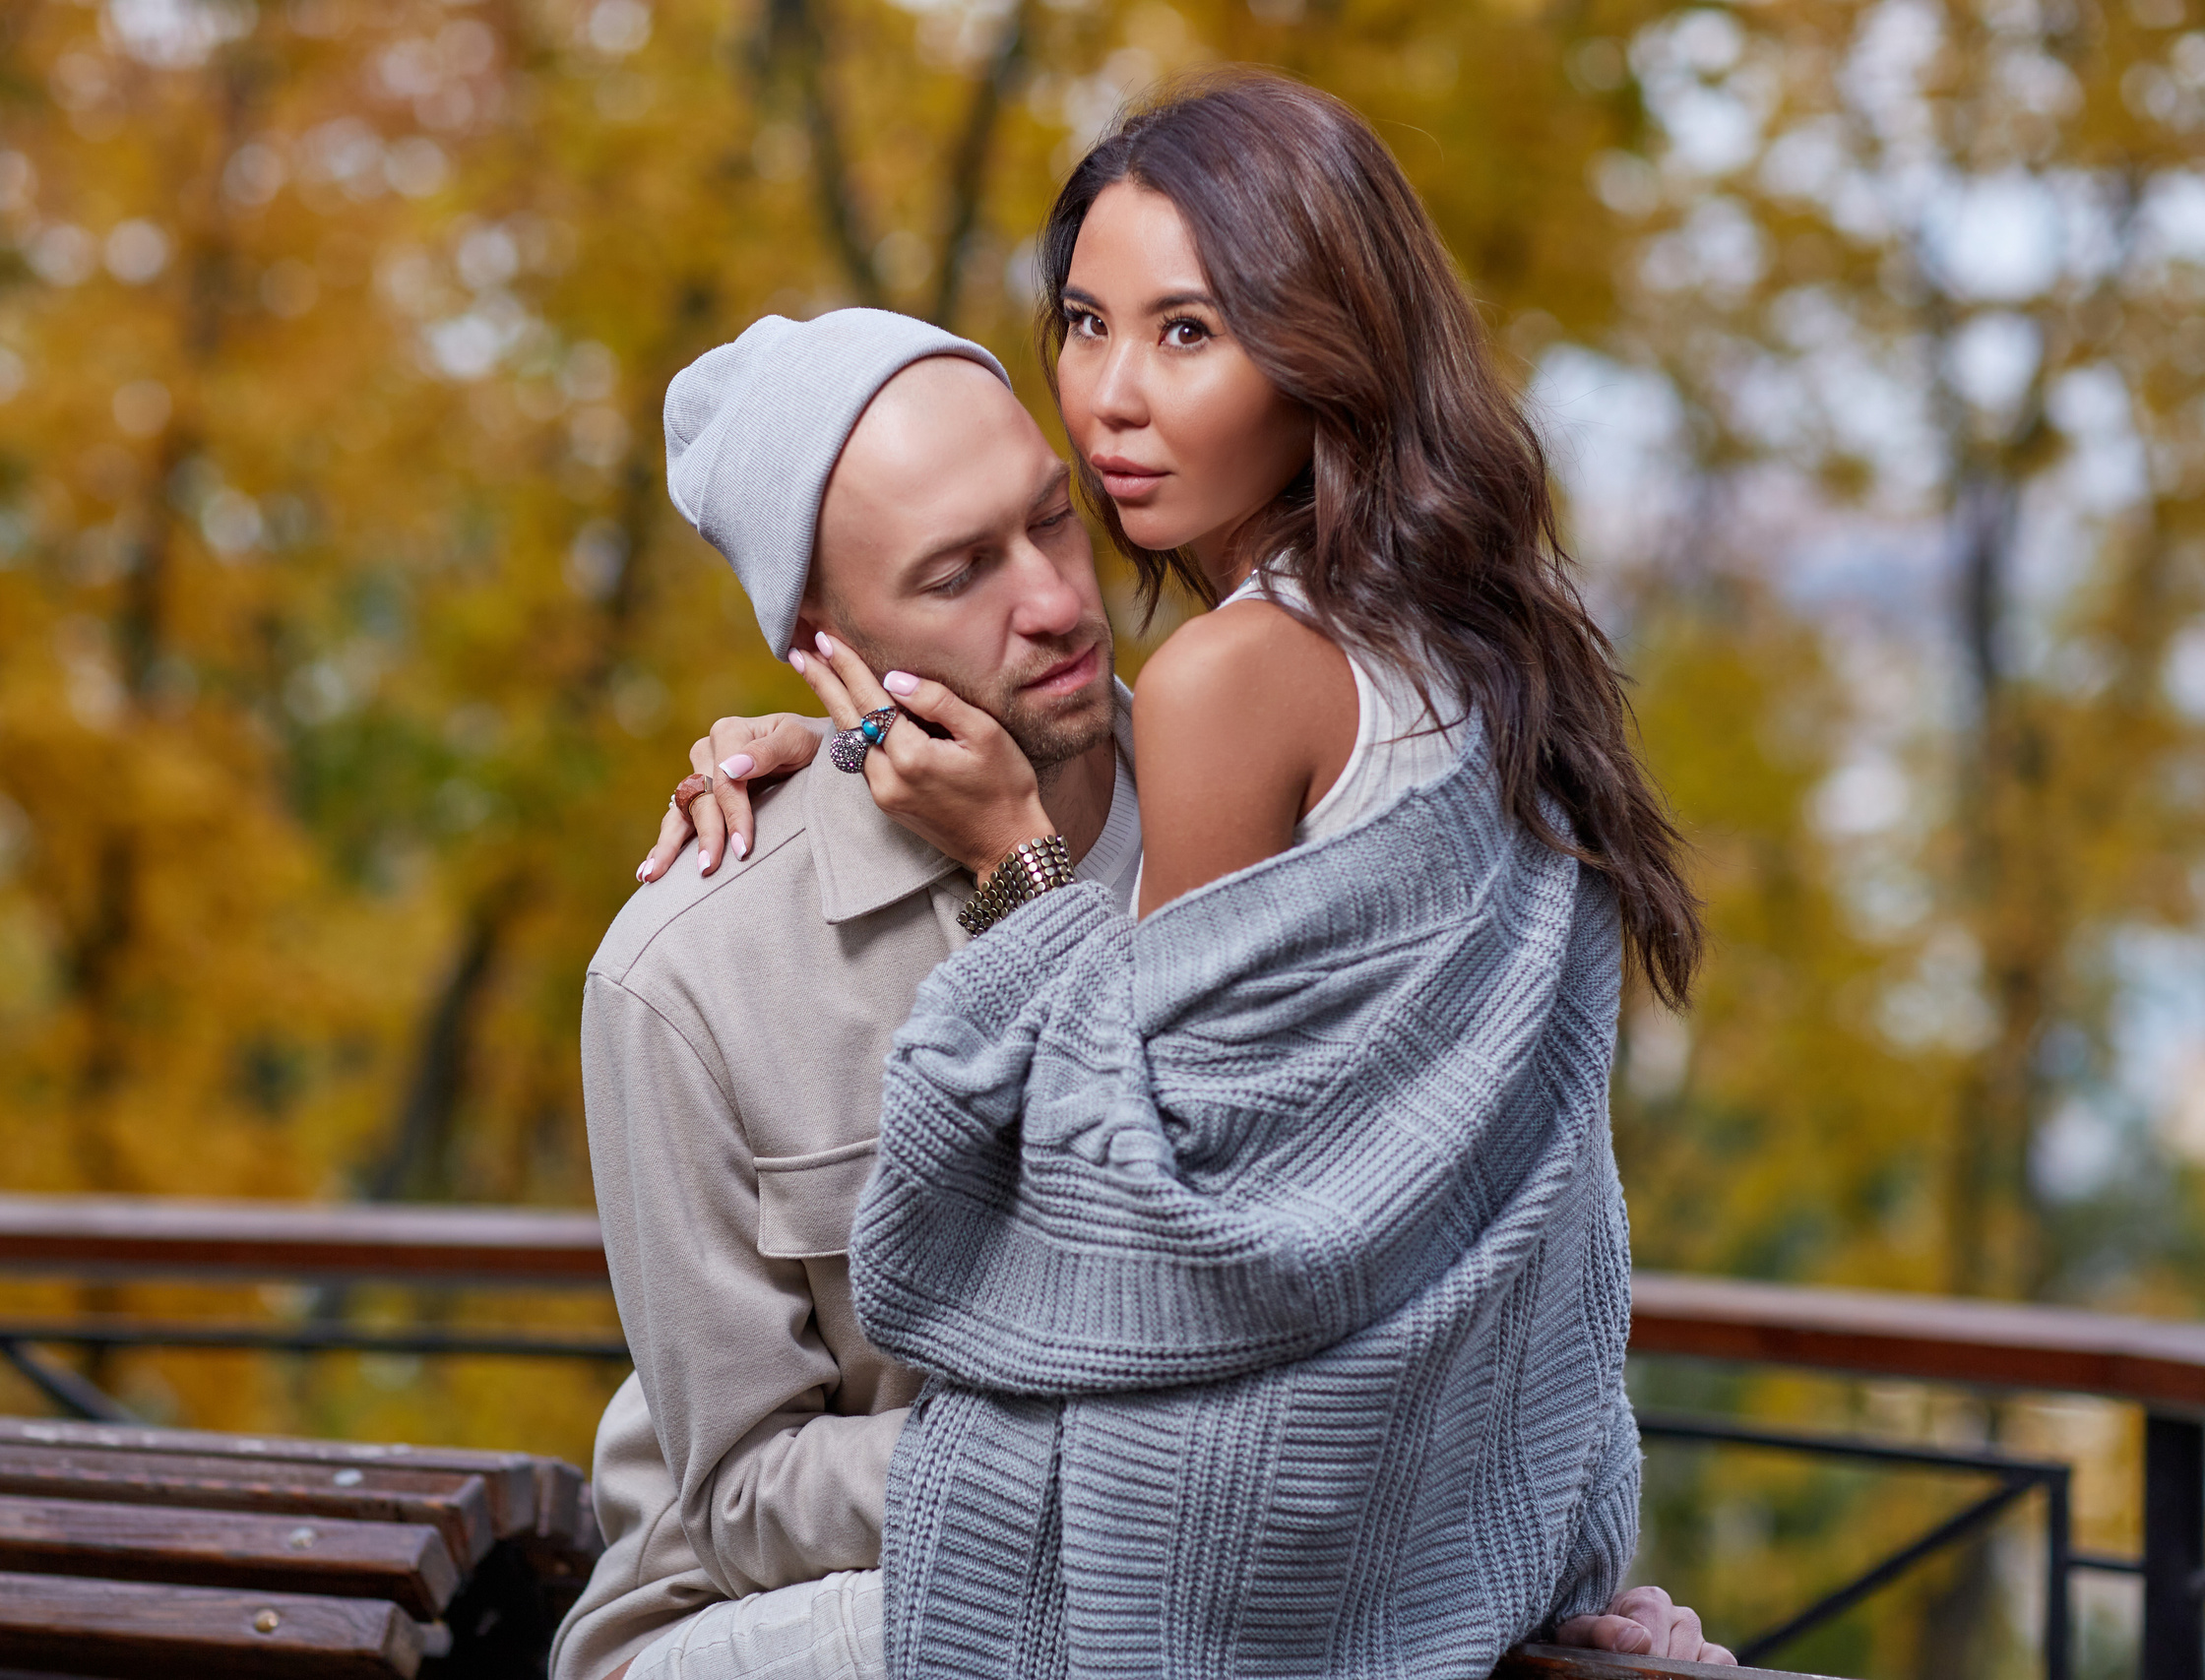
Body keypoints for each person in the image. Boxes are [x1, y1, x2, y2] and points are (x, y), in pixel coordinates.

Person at [629, 71, 1712, 1680]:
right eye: (1084, 323)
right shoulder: (1489, 652)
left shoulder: (1229, 687)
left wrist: (1016, 866)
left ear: (1327, 344)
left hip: (1271, 1540)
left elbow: (1160, 1231)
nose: (1112, 399)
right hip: (1473, 1502)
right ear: (829, 648)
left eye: (1189, 332)